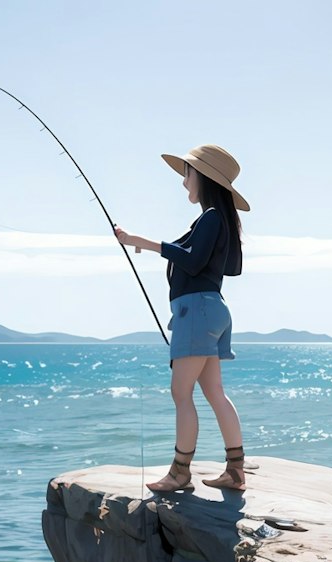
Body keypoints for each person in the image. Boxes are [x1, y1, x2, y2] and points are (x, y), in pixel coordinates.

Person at [114, 144, 250, 493]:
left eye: (187, 174)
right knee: (214, 392)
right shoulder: (217, 220)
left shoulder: (210, 219)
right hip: (212, 309)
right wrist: (136, 241)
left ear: (202, 177)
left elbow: (189, 259)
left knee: (181, 392)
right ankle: (235, 471)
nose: (184, 182)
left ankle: (179, 472)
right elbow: (201, 257)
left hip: (197, 312)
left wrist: (146, 242)